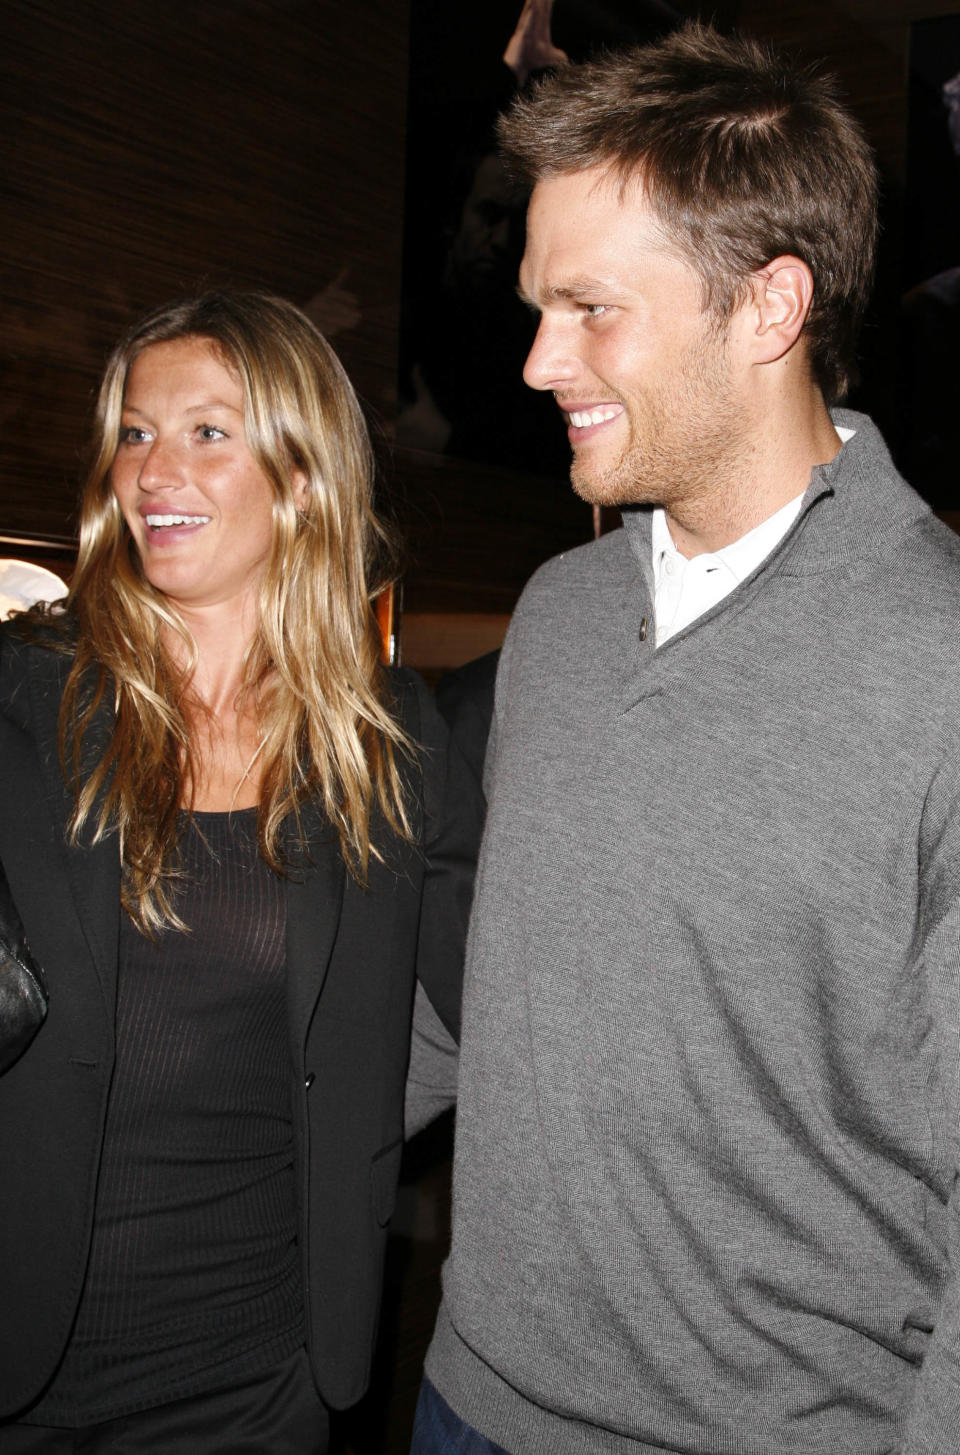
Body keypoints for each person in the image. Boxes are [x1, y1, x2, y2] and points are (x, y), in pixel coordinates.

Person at [411, 23, 960, 1455]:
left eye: (590, 307)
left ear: (768, 305)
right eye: (538, 306)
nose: (539, 361)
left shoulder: (944, 662)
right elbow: (497, 989)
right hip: (465, 1396)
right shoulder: (560, 611)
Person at [0, 291, 481, 1452]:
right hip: (22, 1363)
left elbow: (502, 1017)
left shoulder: (392, 746)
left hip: (260, 1378)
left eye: (208, 433)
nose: (155, 471)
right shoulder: (22, 698)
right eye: (134, 432)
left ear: (304, 475)